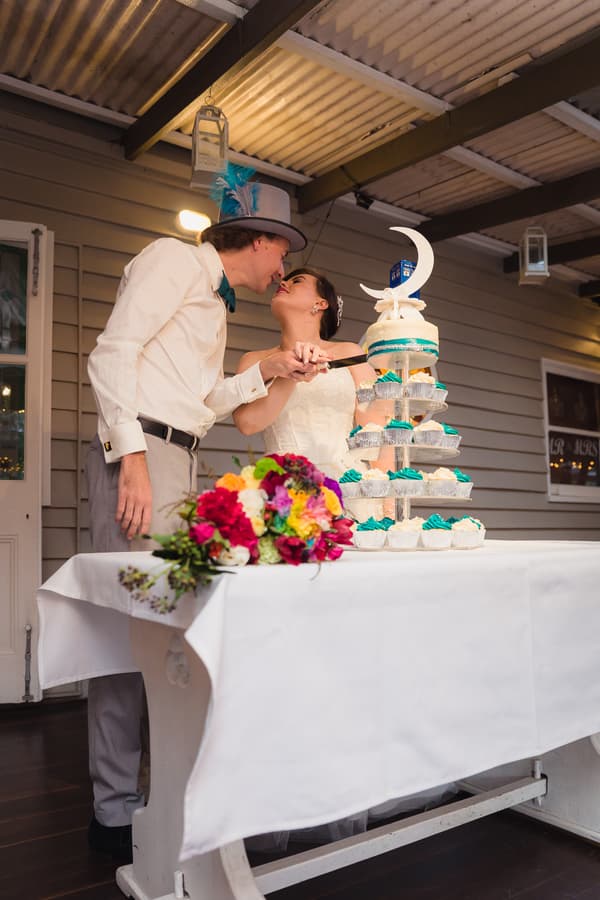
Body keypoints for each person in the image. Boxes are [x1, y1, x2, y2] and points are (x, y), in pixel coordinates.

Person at [85, 179, 327, 863]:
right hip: (139, 456)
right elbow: (111, 354)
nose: (283, 265)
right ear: (257, 239)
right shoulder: (170, 259)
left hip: (179, 457)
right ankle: (111, 817)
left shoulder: (215, 304)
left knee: (167, 635)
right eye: (282, 248)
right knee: (124, 635)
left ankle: (162, 805)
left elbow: (202, 400)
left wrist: (273, 368)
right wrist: (129, 457)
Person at [233, 267, 392, 495]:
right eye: (284, 281)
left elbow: (377, 436)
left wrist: (388, 511)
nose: (284, 283)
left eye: (296, 281)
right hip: (282, 489)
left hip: (346, 486)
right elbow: (248, 424)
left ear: (320, 303)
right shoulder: (254, 360)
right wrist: (294, 372)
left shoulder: (349, 353)